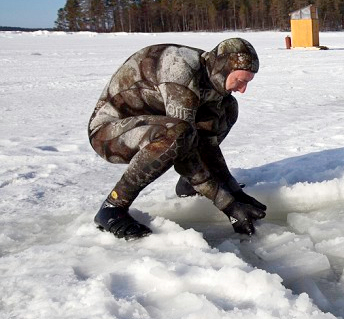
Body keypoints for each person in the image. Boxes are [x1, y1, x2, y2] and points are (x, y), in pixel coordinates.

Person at [88, 38, 267, 240]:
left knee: (227, 109)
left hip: (155, 125)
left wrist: (234, 191)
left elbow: (208, 144)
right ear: (224, 69)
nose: (243, 89)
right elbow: (184, 148)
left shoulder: (213, 74)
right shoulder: (180, 72)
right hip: (109, 133)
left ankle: (188, 185)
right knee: (178, 134)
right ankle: (112, 207)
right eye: (241, 81)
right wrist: (227, 203)